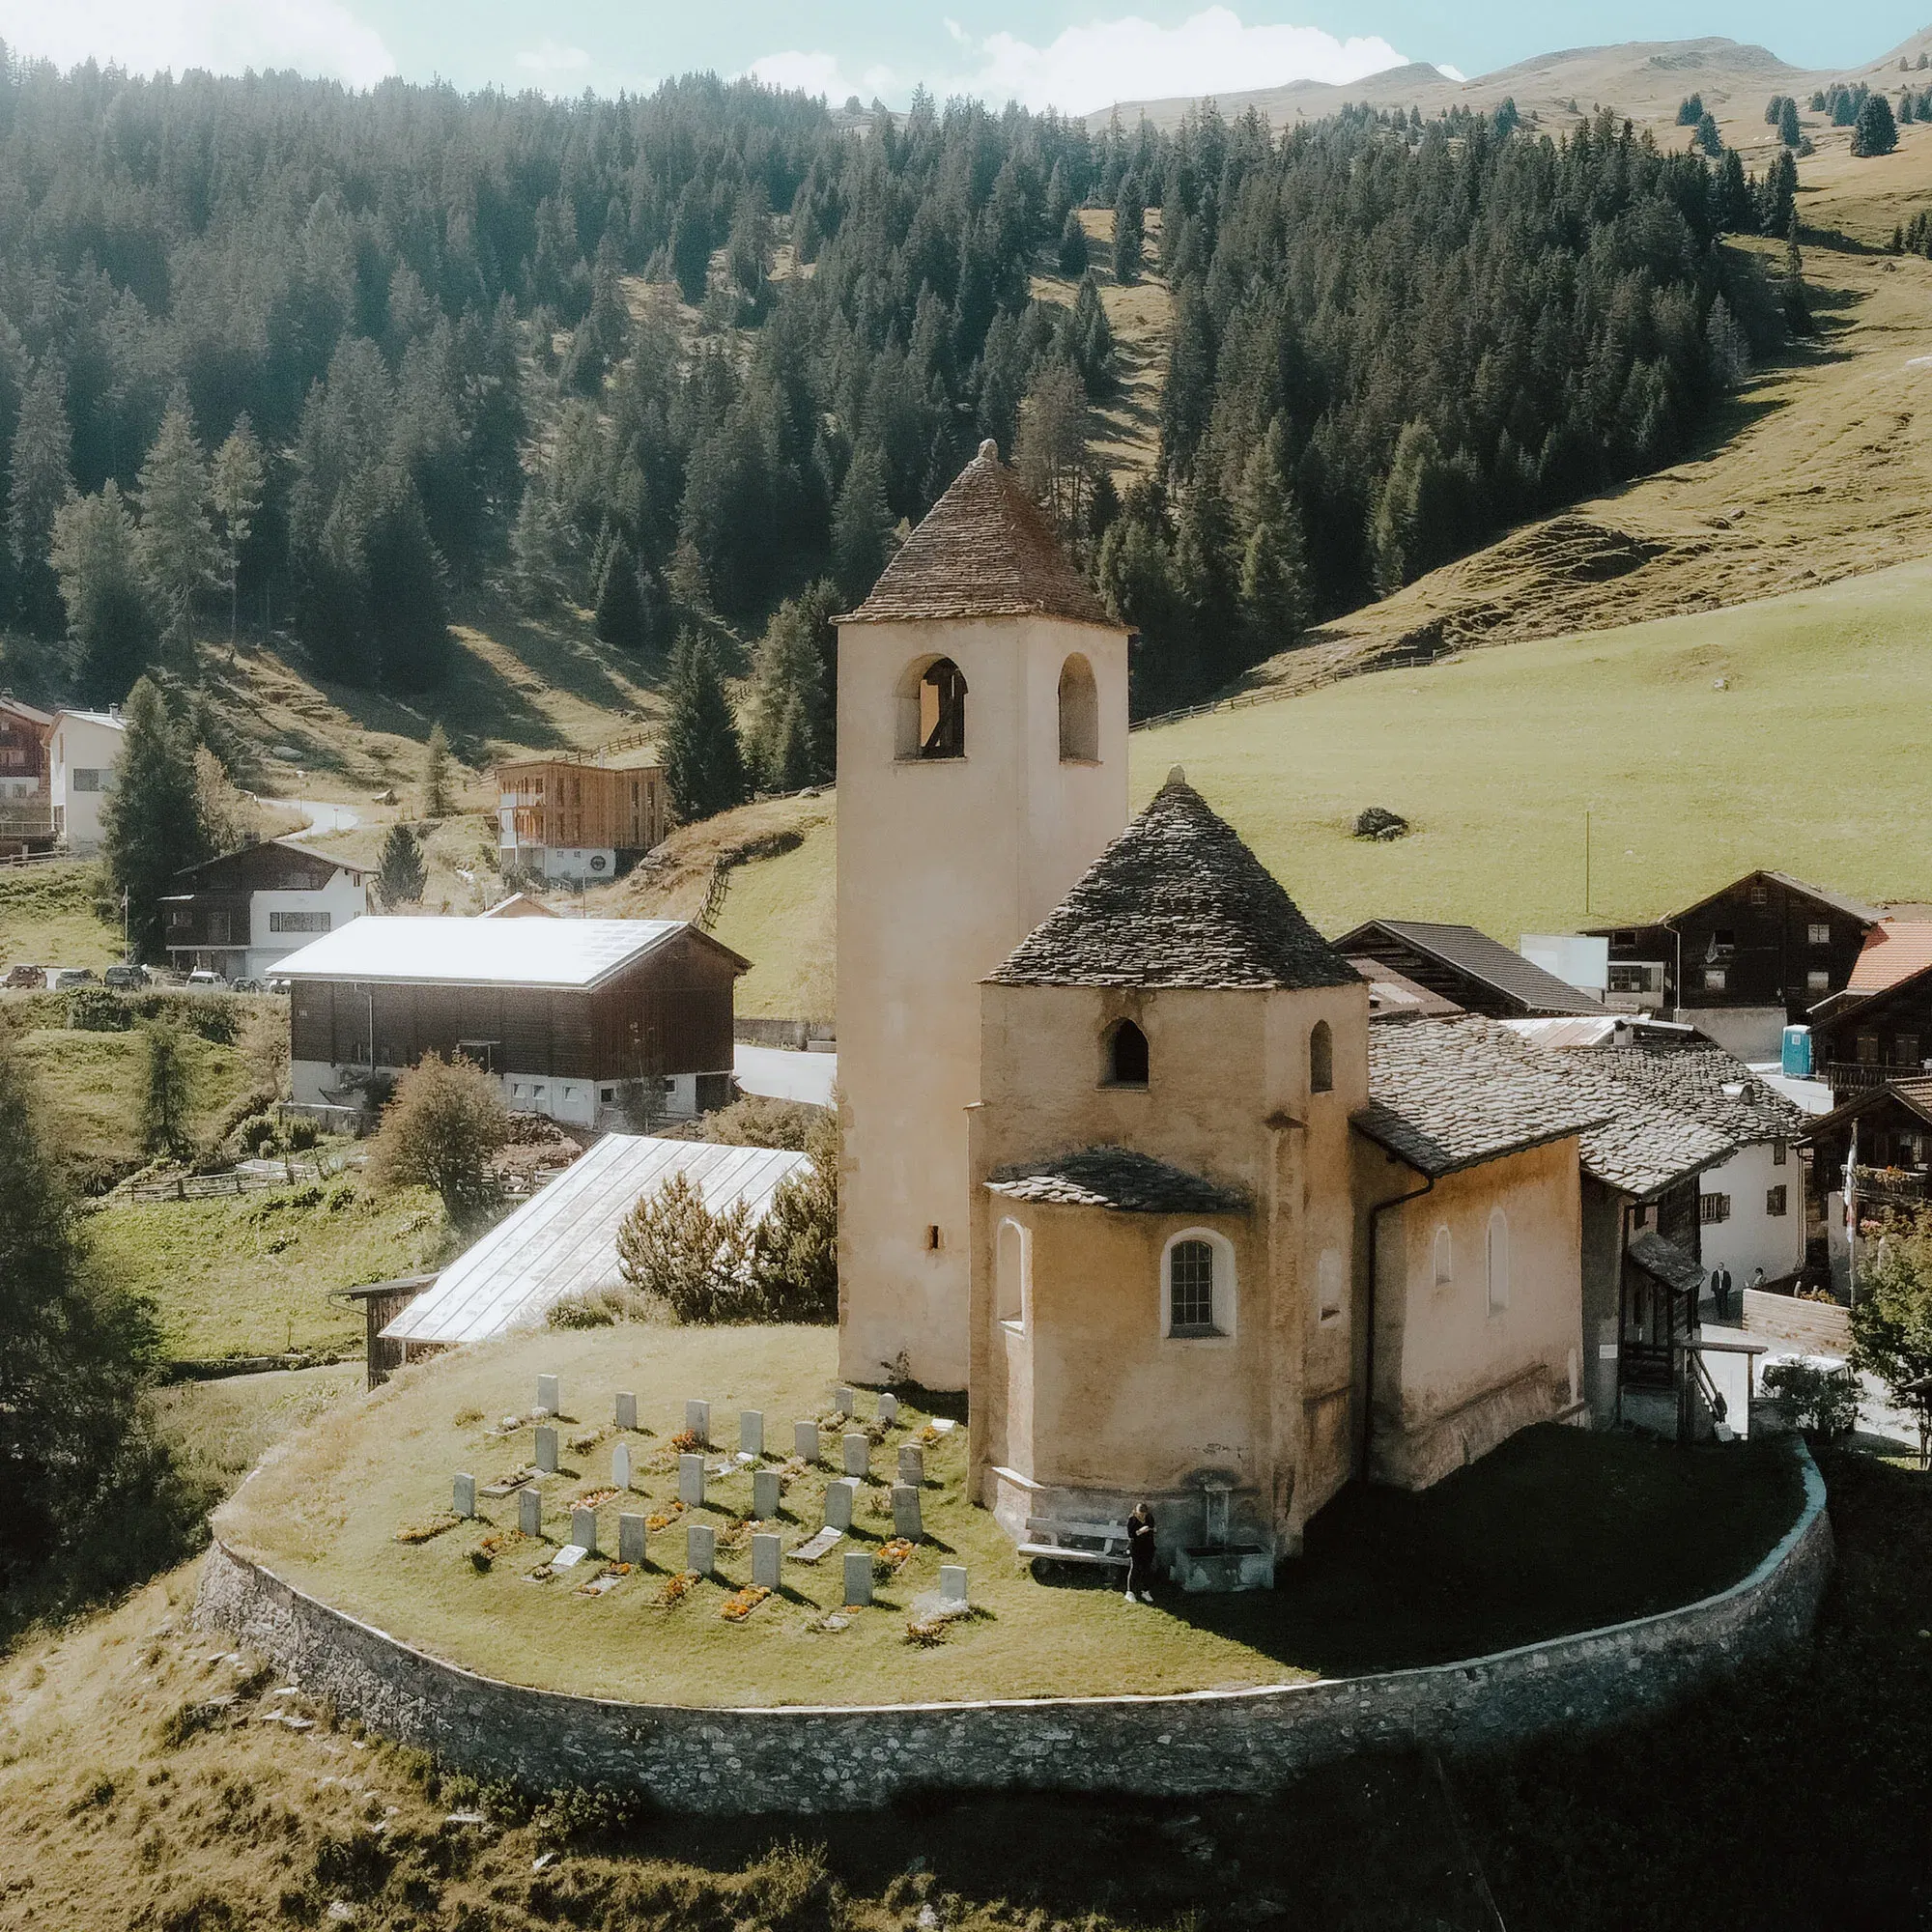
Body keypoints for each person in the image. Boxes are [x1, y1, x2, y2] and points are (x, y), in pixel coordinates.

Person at [1124, 1500, 1157, 1605]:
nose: (1142, 1516)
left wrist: (1152, 1529)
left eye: (1144, 1514)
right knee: (1134, 1568)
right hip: (1136, 1547)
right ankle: (1130, 1592)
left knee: (1147, 1569)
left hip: (1148, 1547)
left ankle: (1145, 1591)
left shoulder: (1149, 1518)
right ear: (1136, 1512)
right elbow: (1131, 1535)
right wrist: (1140, 1531)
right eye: (1140, 1514)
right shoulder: (1132, 1520)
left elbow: (1152, 1527)